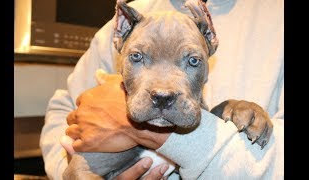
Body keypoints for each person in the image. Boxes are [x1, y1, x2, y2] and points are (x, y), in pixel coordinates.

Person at [40, 0, 284, 179]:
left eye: (192, 61)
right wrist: (70, 166)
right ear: (121, 37)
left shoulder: (276, 15)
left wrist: (163, 137)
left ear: (210, 38)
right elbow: (65, 109)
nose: (163, 90)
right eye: (137, 57)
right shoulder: (131, 18)